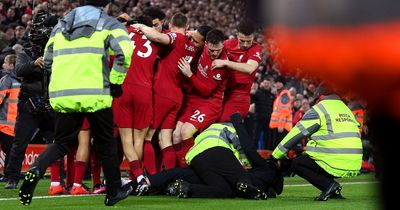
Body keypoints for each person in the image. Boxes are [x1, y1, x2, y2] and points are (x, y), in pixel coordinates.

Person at [18, 0, 133, 206]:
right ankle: (114, 191)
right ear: (104, 5)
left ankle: (36, 168)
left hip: (64, 94)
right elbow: (126, 50)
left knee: (61, 142)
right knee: (105, 143)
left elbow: (48, 58)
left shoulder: (60, 25)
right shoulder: (108, 23)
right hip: (95, 93)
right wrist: (116, 82)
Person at [271, 85, 363, 201]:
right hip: (354, 163)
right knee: (309, 159)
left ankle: (329, 185)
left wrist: (275, 156)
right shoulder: (346, 109)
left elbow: (295, 135)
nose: (314, 104)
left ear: (321, 97)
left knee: (297, 163)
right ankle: (332, 188)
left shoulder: (320, 110)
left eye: (315, 100)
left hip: (335, 161)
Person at [132, 13, 196, 170]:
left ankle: (152, 178)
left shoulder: (176, 37)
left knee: (147, 137)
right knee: (165, 140)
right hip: (176, 96)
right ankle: (171, 177)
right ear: (187, 26)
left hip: (162, 92)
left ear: (170, 25)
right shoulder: (192, 46)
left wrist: (141, 26)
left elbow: (162, 39)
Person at [4, 11, 56, 190]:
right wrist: (35, 63)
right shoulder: (25, 52)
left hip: (50, 104)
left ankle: (59, 179)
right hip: (29, 104)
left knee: (57, 143)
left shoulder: (57, 52)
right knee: (19, 143)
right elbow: (19, 70)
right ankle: (11, 177)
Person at [173, 29, 229, 167]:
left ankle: (193, 169)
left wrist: (189, 74)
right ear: (205, 44)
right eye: (211, 50)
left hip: (210, 104)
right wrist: (188, 33)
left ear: (223, 45)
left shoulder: (221, 65)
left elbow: (206, 91)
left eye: (218, 50)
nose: (215, 53)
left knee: (185, 132)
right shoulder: (203, 45)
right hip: (194, 100)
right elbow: (199, 32)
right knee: (175, 135)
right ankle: (179, 171)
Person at [212, 20, 263, 122]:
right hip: (220, 93)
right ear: (237, 35)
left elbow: (250, 68)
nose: (245, 44)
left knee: (222, 127)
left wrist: (226, 63)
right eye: (242, 40)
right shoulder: (227, 44)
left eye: (249, 41)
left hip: (238, 96)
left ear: (253, 37)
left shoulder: (256, 49)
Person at [0, 54, 19, 182]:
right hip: (15, 124)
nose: (3, 65)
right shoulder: (21, 81)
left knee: (10, 151)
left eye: (5, 63)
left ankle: (8, 175)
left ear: (11, 66)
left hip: (4, 123)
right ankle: (8, 174)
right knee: (11, 152)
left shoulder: (6, 79)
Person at [269, 76, 293, 149]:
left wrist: (281, 125)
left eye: (279, 82)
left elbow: (284, 111)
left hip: (281, 127)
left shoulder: (284, 94)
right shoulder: (280, 94)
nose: (277, 84)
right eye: (276, 82)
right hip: (277, 126)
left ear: (283, 84)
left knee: (278, 148)